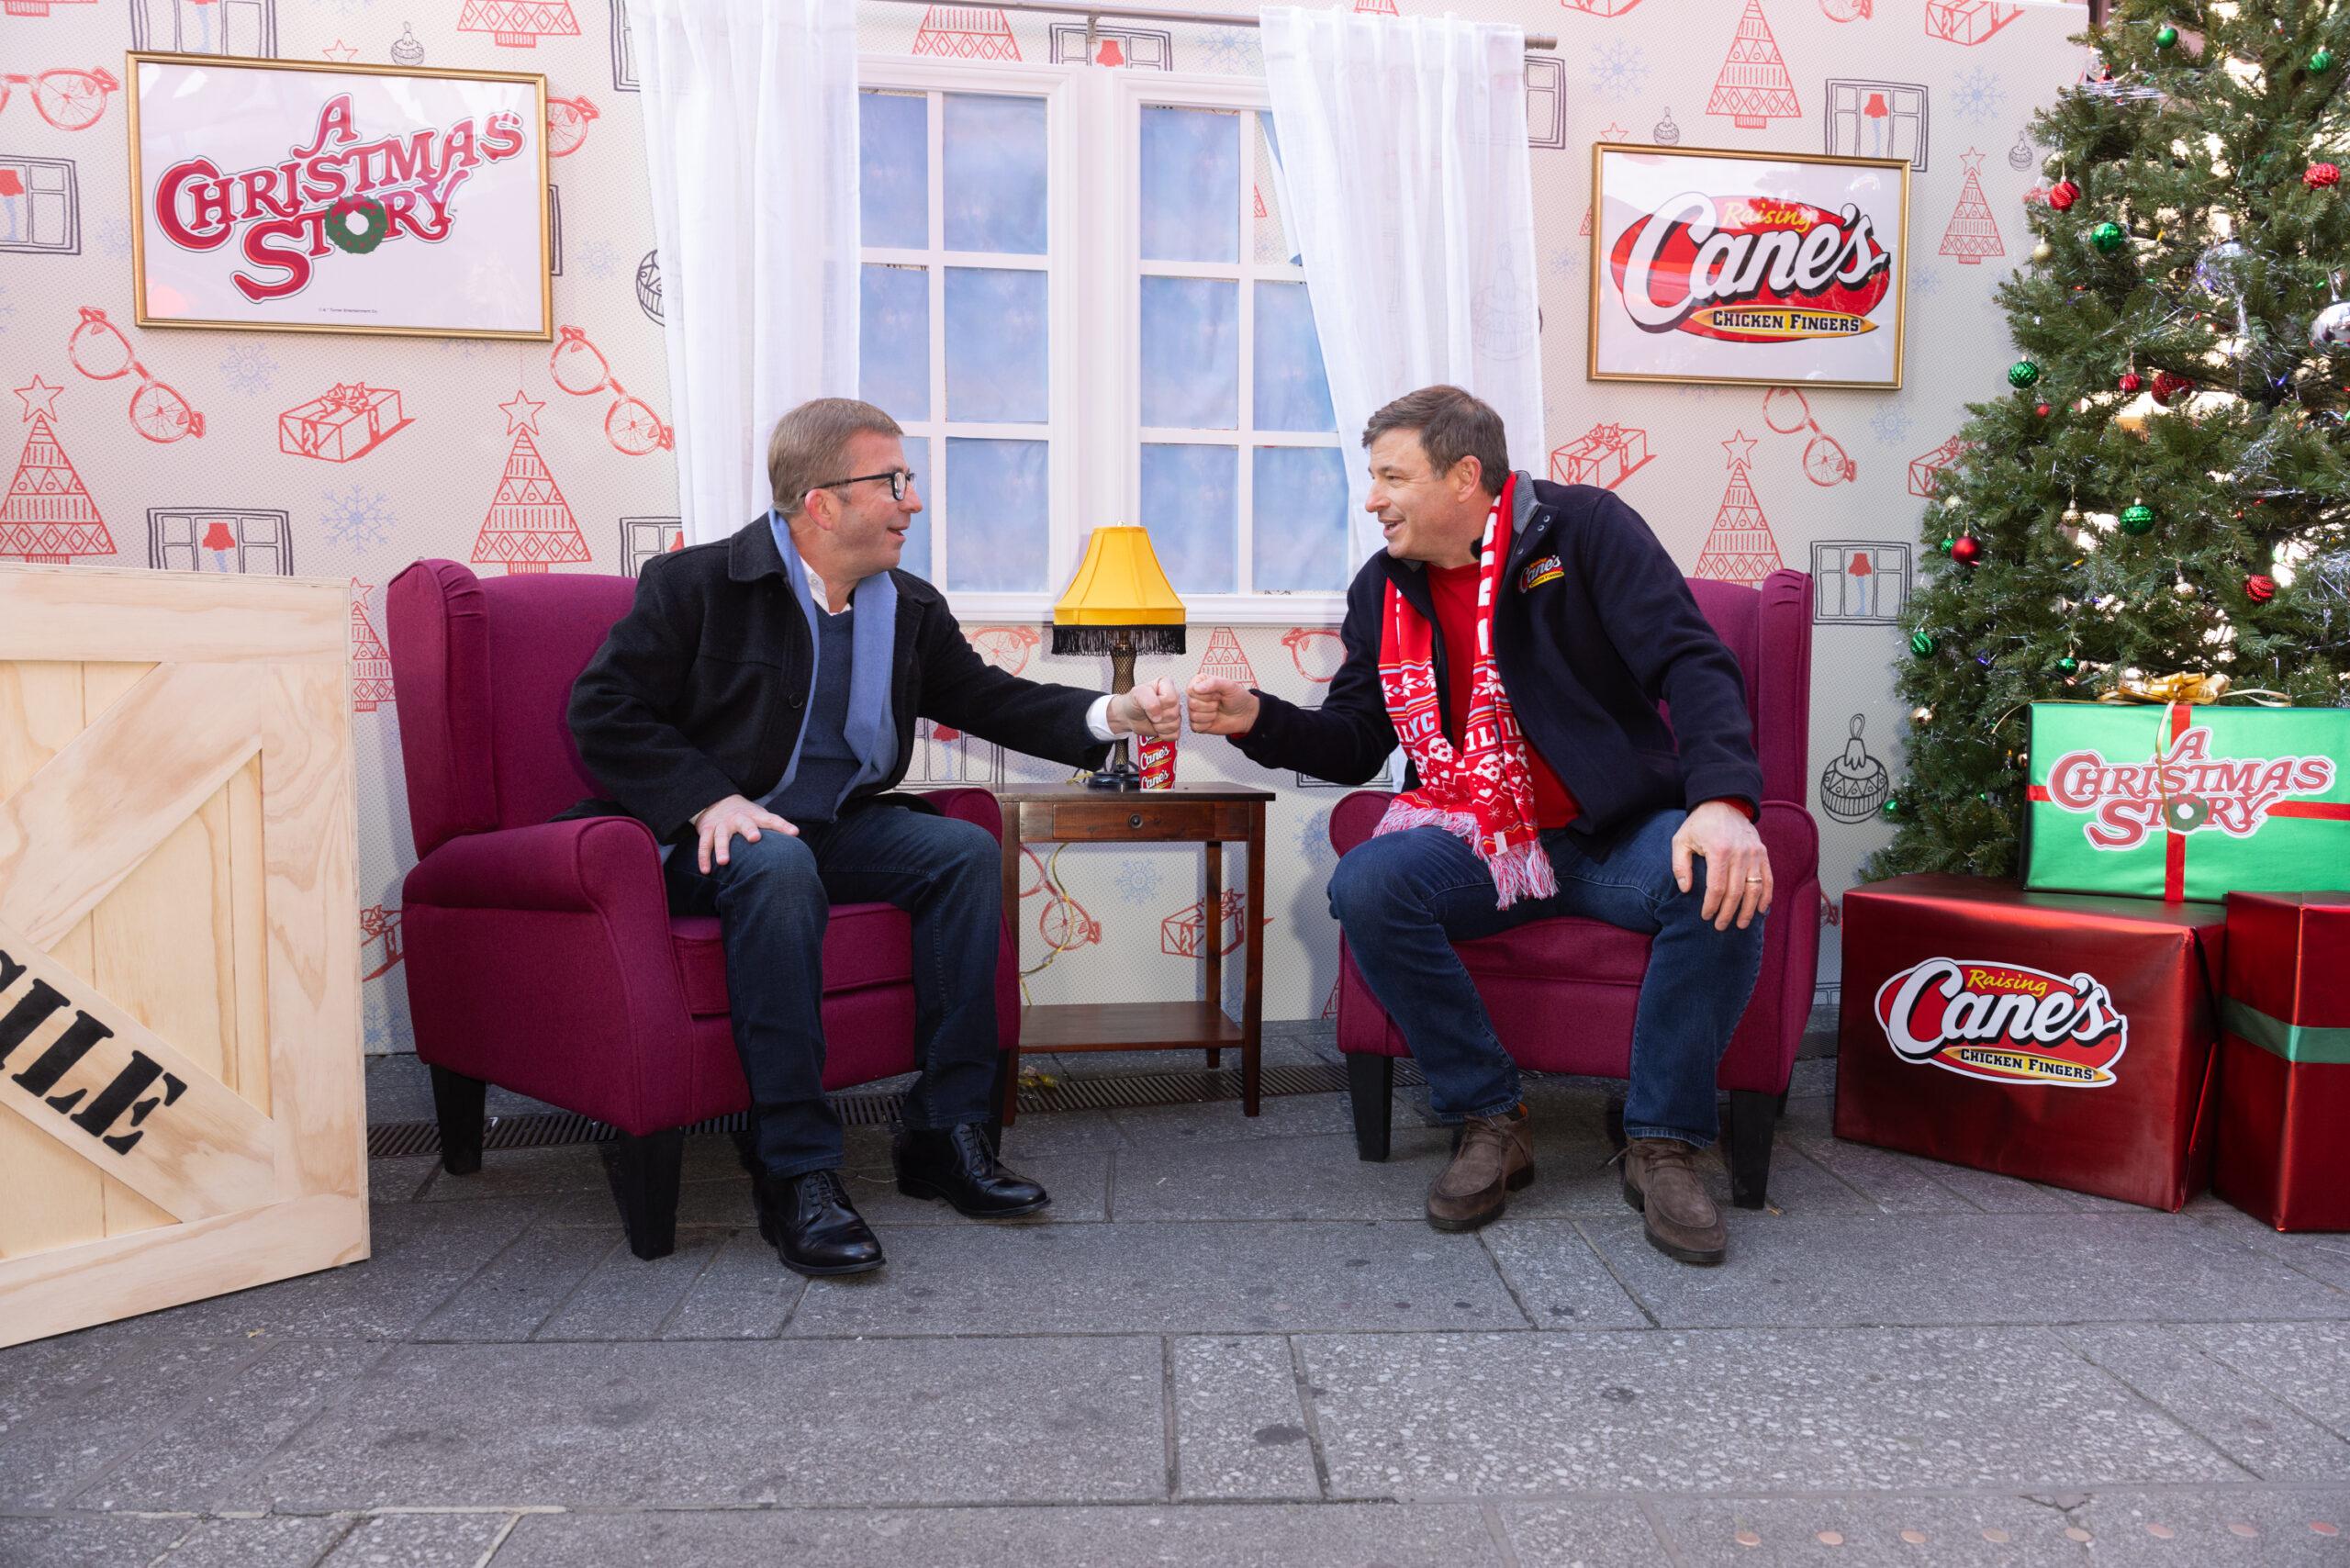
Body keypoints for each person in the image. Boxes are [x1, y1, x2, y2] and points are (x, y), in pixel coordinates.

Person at [569, 398, 1180, 1278]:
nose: (912, 501)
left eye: (909, 480)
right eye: (892, 482)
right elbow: (603, 710)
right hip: (703, 846)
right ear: (821, 503)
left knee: (959, 853)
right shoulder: (698, 586)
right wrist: (707, 802)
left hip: (832, 829)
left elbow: (989, 699)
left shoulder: (909, 608)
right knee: (774, 862)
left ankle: (943, 1132)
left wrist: (1110, 711)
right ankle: (797, 1171)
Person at [1186, 386, 1771, 1265]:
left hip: (1609, 835)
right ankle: (1490, 1119)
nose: (1372, 498)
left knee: (1721, 884)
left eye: (1391, 476)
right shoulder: (1384, 587)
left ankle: (1663, 1141)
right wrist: (1258, 717)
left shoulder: (1586, 532)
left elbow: (1692, 660)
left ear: (1465, 476)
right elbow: (1353, 741)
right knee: (1369, 884)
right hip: (1477, 842)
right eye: (1371, 477)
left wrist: (1725, 803)